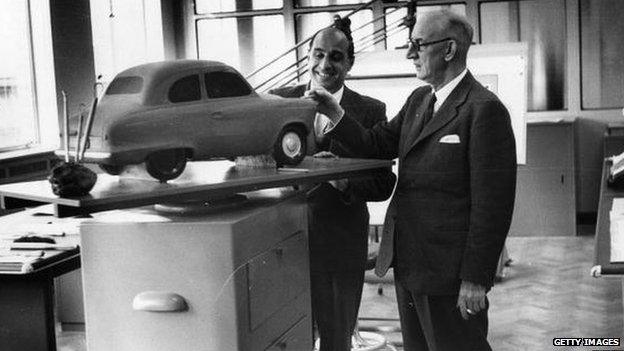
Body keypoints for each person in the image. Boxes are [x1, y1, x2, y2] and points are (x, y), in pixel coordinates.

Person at [304, 10, 517, 351]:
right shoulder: (420, 100)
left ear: (448, 50)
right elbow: (376, 145)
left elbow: (493, 206)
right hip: (409, 266)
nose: (409, 54)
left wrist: (476, 278)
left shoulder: (483, 109)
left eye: (418, 45)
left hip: (449, 274)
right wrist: (335, 112)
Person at [270, 19, 397, 351]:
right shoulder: (278, 102)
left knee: (336, 339)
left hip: (341, 244)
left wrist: (343, 182)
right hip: (285, 241)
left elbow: (383, 183)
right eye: (318, 54)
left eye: (336, 57)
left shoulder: (370, 111)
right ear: (308, 57)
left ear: (349, 64)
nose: (325, 65)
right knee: (285, 333)